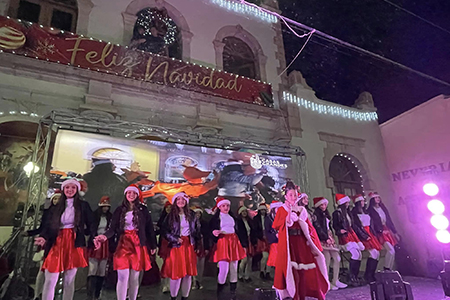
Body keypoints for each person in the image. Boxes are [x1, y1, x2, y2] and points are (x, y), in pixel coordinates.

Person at [35, 178, 96, 300]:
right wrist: (43, 237)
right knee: (50, 278)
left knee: (69, 280)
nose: (70, 190)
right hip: (56, 242)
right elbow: (48, 226)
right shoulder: (56, 207)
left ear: (77, 190)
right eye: (67, 187)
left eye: (73, 187)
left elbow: (92, 222)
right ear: (63, 189)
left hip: (73, 243)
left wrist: (91, 236)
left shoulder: (83, 206)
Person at [95, 184, 157, 300]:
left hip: (138, 244)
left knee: (134, 277)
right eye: (129, 193)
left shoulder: (143, 210)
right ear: (125, 194)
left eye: (134, 193)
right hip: (123, 244)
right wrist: (103, 236)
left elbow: (149, 229)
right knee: (122, 277)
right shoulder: (119, 210)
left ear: (137, 195)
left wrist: (153, 244)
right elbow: (112, 228)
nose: (131, 195)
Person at [273, 181, 329, 300]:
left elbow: (309, 228)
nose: (293, 197)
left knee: (306, 271)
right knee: (293, 272)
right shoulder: (281, 210)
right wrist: (288, 212)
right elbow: (280, 225)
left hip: (301, 243)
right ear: (286, 196)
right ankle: (296, 296)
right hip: (290, 244)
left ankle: (309, 294)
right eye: (291, 195)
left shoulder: (302, 210)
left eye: (295, 195)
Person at [161, 192, 199, 300]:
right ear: (175, 202)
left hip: (189, 246)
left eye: (183, 200)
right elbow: (164, 231)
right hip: (176, 246)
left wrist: (197, 242)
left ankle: (184, 297)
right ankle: (173, 297)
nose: (181, 202)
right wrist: (174, 238)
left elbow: (196, 230)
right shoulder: (170, 216)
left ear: (186, 201)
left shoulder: (191, 214)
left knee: (188, 274)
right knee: (176, 273)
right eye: (178, 200)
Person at [209, 197, 247, 300]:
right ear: (219, 207)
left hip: (233, 242)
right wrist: (214, 233)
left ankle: (233, 292)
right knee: (223, 269)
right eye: (223, 206)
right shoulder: (216, 219)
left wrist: (243, 245)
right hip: (223, 242)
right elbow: (210, 231)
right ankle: (220, 292)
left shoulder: (234, 218)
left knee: (234, 268)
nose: (226, 207)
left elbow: (241, 231)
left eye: (227, 206)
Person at [25, 192, 61, 300]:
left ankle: (49, 294)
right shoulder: (47, 213)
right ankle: (37, 295)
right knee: (42, 270)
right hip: (46, 243)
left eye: (58, 199)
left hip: (58, 244)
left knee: (53, 272)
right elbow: (42, 228)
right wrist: (30, 233)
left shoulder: (64, 214)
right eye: (54, 199)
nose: (56, 201)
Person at [312, 197, 347, 291]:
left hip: (329, 236)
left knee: (337, 258)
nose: (324, 206)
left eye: (325, 204)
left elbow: (328, 226)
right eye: (321, 205)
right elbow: (318, 228)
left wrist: (330, 237)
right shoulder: (316, 215)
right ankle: (326, 282)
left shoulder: (325, 214)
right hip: (323, 238)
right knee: (326, 260)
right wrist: (325, 238)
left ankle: (335, 279)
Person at [332, 194, 365, 287]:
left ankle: (355, 275)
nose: (348, 204)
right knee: (355, 254)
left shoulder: (347, 213)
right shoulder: (337, 213)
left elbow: (352, 224)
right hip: (344, 236)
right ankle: (351, 276)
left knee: (359, 255)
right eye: (346, 202)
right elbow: (335, 225)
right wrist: (339, 231)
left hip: (351, 234)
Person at [351, 194, 382, 283]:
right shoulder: (354, 213)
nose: (363, 203)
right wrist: (364, 235)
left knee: (376, 254)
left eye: (363, 201)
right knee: (373, 253)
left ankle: (370, 274)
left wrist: (373, 233)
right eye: (361, 201)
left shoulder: (366, 212)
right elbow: (356, 227)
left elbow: (371, 224)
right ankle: (367, 275)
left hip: (370, 233)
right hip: (363, 234)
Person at [87, 196, 113, 300]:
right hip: (94, 243)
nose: (105, 208)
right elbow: (91, 229)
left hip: (105, 244)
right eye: (104, 206)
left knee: (102, 270)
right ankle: (90, 295)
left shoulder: (110, 217)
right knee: (93, 269)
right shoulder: (94, 215)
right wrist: (95, 238)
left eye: (107, 206)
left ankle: (97, 295)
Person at [367, 192, 400, 271]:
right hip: (379, 232)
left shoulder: (383, 208)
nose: (378, 199)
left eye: (378, 197)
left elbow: (389, 220)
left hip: (387, 230)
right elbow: (372, 224)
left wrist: (394, 232)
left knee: (393, 251)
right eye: (376, 198)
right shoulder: (370, 210)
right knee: (390, 250)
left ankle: (389, 269)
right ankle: (386, 268)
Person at [236, 206, 257, 282]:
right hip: (243, 242)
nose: (244, 213)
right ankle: (240, 275)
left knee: (250, 260)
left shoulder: (250, 221)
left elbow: (253, 232)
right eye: (243, 212)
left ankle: (247, 276)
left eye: (245, 211)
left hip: (249, 241)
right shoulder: (238, 222)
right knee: (244, 260)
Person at [191, 206, 209, 290]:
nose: (198, 215)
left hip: (203, 245)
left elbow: (207, 236)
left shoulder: (204, 223)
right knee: (194, 264)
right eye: (196, 213)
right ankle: (194, 281)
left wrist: (207, 248)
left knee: (201, 265)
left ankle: (200, 280)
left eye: (199, 213)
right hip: (194, 246)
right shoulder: (191, 223)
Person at [156, 201, 171, 294]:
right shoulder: (162, 220)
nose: (169, 209)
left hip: (172, 243)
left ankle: (169, 284)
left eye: (170, 207)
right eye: (167, 208)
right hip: (164, 243)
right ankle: (165, 283)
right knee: (164, 263)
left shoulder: (176, 219)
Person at [254, 203, 270, 280]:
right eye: (262, 210)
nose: (263, 211)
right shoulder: (256, 219)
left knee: (270, 257)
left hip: (268, 238)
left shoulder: (268, 218)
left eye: (264, 210)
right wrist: (260, 236)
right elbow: (255, 230)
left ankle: (267, 272)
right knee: (265, 256)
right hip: (261, 239)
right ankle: (262, 271)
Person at [265, 200, 283, 273]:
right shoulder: (269, 218)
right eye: (277, 208)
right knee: (273, 258)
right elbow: (267, 230)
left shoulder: (282, 217)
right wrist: (273, 237)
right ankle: (268, 272)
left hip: (281, 240)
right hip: (274, 241)